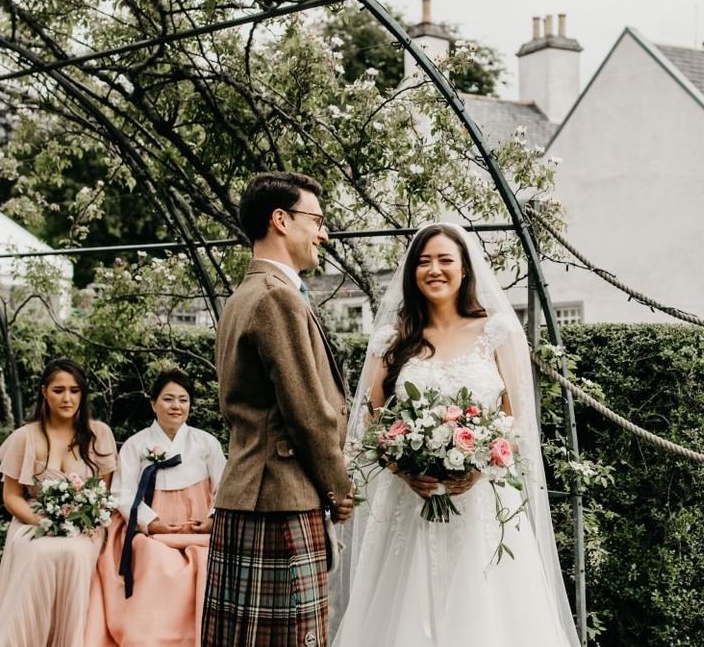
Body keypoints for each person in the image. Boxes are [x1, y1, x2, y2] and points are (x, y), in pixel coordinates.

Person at [331, 224, 581, 647]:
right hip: (409, 502)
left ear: (465, 269)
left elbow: (518, 422)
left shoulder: (498, 332)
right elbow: (370, 424)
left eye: (445, 259)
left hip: (482, 501)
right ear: (412, 272)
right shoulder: (392, 340)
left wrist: (480, 464)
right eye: (424, 262)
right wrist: (403, 467)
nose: (434, 269)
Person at [202, 171, 355, 647]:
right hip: (281, 498)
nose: (323, 233)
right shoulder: (277, 298)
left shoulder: (242, 296)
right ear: (281, 220)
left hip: (246, 494)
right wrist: (339, 489)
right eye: (317, 220)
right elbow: (309, 413)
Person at [0, 358, 118, 647]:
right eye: (59, 390)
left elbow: (105, 492)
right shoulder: (24, 437)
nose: (67, 398)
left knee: (75, 553)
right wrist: (43, 521)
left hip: (85, 524)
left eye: (75, 390)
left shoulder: (98, 434)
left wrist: (82, 519)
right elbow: (12, 496)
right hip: (33, 520)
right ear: (44, 392)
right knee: (37, 552)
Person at [85, 367, 226, 647]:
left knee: (206, 561)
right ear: (153, 403)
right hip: (152, 530)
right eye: (168, 399)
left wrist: (213, 519)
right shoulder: (137, 445)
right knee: (154, 559)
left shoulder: (206, 442)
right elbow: (122, 493)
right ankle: (150, 637)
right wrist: (150, 522)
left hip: (200, 530)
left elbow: (224, 488)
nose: (176, 406)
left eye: (183, 400)